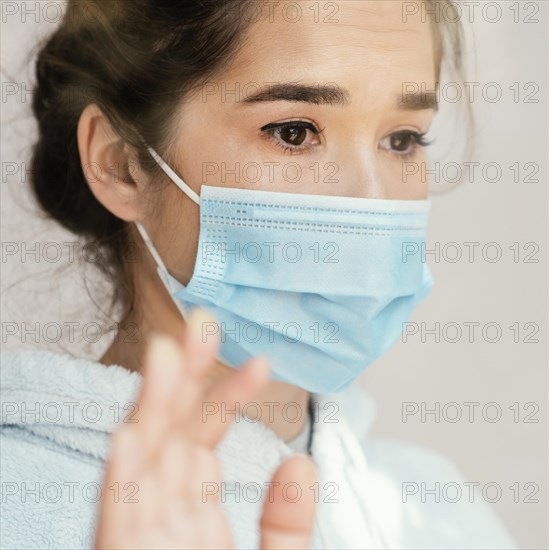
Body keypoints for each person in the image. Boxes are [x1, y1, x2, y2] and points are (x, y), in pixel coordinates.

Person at [1, 1, 519, 548]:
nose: (373, 199)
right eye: (295, 132)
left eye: (402, 140)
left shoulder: (437, 508)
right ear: (120, 164)